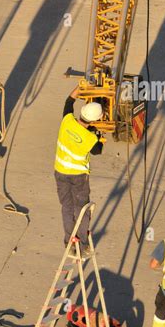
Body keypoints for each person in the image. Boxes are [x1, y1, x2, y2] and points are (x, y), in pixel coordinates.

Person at [54, 85, 104, 257]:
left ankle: (69, 242)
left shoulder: (67, 120)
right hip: (78, 177)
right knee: (82, 210)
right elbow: (98, 150)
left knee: (66, 207)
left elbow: (69, 101)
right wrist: (99, 134)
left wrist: (80, 87)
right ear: (94, 120)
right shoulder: (90, 138)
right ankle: (82, 246)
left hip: (60, 172)